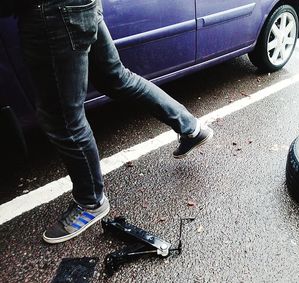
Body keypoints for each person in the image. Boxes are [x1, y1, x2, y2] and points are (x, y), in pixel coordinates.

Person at [8, 0, 213, 244]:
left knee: (62, 117)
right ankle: (191, 128)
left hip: (51, 14)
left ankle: (91, 202)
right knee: (117, 78)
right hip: (80, 6)